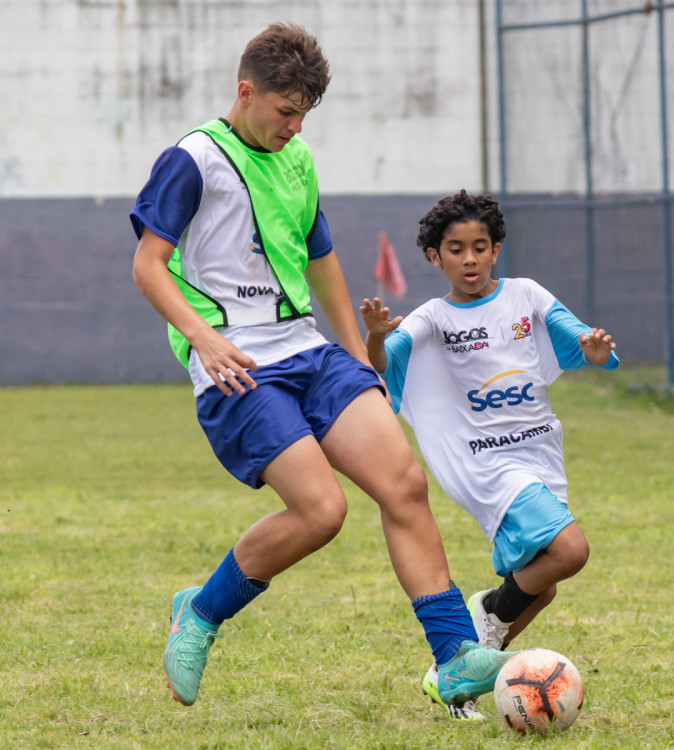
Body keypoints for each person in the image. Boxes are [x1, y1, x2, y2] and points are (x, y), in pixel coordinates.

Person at [129, 23, 511, 716]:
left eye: (304, 112)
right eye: (285, 110)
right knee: (321, 511)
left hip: (307, 349)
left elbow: (321, 260)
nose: (295, 125)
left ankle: (454, 657)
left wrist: (362, 357)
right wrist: (202, 339)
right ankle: (201, 613)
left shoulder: (299, 159)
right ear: (246, 92)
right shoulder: (193, 160)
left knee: (402, 481)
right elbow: (147, 265)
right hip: (235, 360)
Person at [359, 190, 618, 720]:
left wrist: (591, 350)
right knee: (570, 551)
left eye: (480, 246)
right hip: (487, 463)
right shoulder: (432, 317)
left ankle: (454, 679)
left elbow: (575, 335)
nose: (470, 259)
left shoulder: (525, 296)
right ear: (435, 257)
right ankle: (487, 622)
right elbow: (384, 362)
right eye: (456, 249)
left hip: (540, 454)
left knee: (540, 590)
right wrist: (376, 338)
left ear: (496, 249)